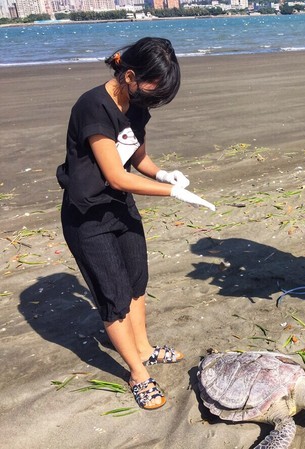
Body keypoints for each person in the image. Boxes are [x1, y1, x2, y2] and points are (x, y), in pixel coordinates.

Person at [56, 37, 215, 410]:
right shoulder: (93, 108)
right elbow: (117, 175)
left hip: (119, 208)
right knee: (112, 296)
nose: (154, 101)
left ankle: (143, 348)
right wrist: (173, 195)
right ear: (129, 75)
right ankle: (137, 373)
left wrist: (162, 174)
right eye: (153, 91)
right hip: (87, 215)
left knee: (136, 282)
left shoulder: (135, 104)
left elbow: (137, 156)